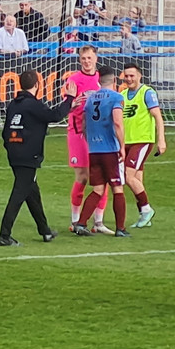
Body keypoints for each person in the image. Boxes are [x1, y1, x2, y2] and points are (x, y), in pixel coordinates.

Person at [0, 70, 76, 245]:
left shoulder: (14, 104)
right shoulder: (32, 104)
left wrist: (10, 146)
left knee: (32, 192)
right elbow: (54, 116)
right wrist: (69, 99)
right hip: (27, 155)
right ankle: (4, 235)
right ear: (37, 85)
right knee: (19, 193)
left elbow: (5, 131)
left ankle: (45, 230)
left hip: (14, 152)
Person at [74, 66, 128, 237]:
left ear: (98, 80)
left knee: (98, 189)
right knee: (117, 188)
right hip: (110, 150)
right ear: (114, 80)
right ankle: (120, 228)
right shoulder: (116, 97)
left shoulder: (90, 99)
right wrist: (122, 146)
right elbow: (118, 122)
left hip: (94, 150)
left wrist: (89, 140)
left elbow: (83, 124)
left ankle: (81, 223)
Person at [65, 45, 111, 233]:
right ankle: (75, 220)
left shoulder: (103, 80)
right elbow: (65, 106)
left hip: (99, 133)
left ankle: (98, 222)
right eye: (83, 58)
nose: (86, 61)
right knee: (83, 177)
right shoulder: (73, 80)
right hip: (77, 132)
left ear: (96, 59)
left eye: (89, 58)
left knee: (103, 176)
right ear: (79, 60)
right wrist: (71, 102)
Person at [120, 62, 164, 228]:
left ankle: (146, 209)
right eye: (127, 76)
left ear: (139, 76)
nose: (129, 78)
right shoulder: (123, 95)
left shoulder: (147, 92)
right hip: (127, 142)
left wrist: (161, 139)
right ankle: (144, 215)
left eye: (132, 75)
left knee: (127, 176)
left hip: (142, 140)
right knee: (136, 179)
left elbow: (158, 117)